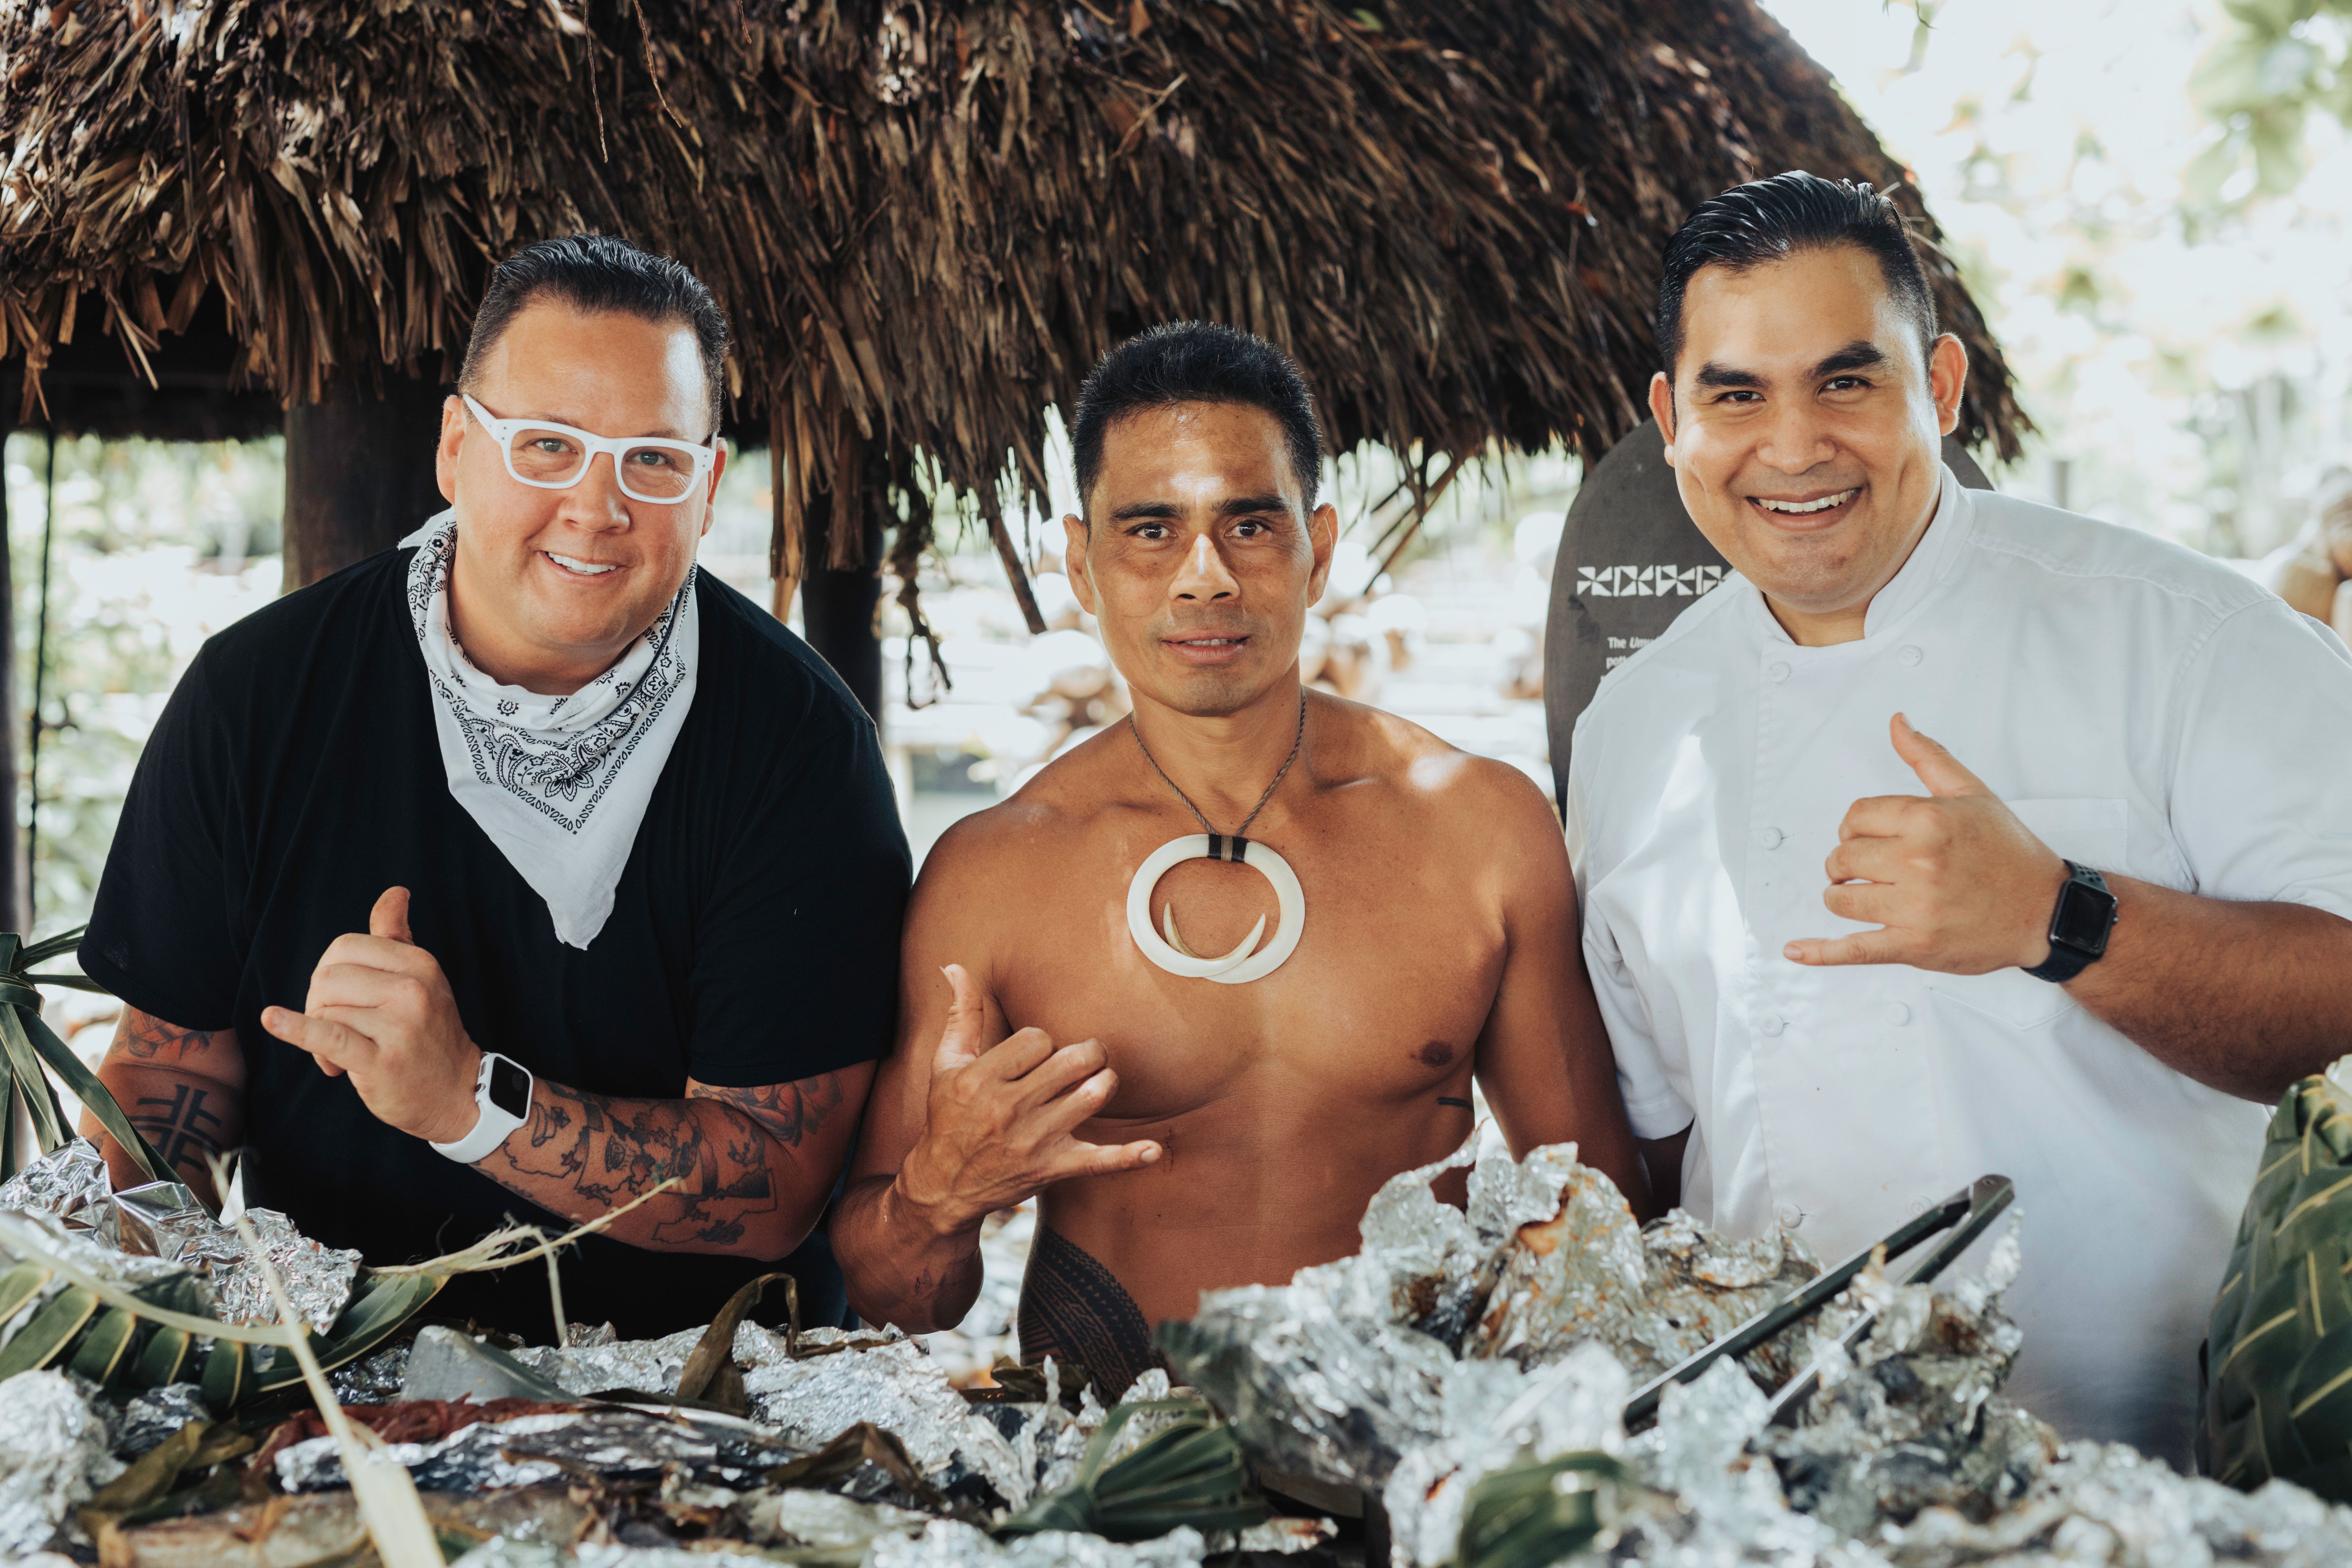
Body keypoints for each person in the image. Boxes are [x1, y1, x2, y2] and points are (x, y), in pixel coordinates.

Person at [1567, 171, 2352, 1462]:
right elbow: (1661, 1146)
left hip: (2155, 1466)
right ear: (1670, 420)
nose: (1794, 445)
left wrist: (2063, 918)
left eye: (1845, 380)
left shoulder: (2189, 640)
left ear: (1939, 385)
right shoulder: (1635, 731)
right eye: (1735, 395)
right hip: (1789, 1486)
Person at [77, 234, 909, 1339]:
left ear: (707, 488)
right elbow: (169, 1070)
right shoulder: (260, 695)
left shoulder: (801, 750)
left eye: (651, 460)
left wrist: (469, 1102)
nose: (596, 507)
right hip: (336, 1368)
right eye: (547, 447)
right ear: (457, 448)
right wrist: (93, 1301)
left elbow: (774, 1183)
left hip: (702, 1399)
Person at [834, 322, 1650, 1398]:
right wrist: (936, 1198)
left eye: (1250, 525)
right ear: (1081, 563)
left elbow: (1602, 1214)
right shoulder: (993, 876)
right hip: (1111, 1473)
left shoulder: (1478, 826)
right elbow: (906, 1299)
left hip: (1409, 1448)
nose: (1206, 578)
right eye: (1151, 530)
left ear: (1318, 545)